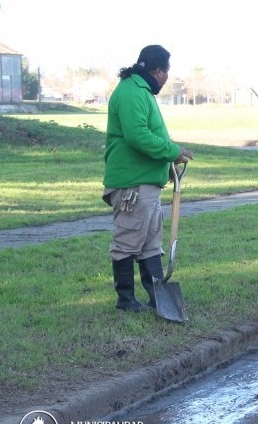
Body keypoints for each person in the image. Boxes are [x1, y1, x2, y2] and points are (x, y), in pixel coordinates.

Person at [103, 45, 194, 312]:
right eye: (166, 73)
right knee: (128, 241)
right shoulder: (131, 92)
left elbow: (147, 135)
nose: (166, 79)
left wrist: (167, 165)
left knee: (150, 243)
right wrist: (173, 152)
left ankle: (157, 296)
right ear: (159, 71)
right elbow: (137, 136)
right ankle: (125, 301)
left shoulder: (140, 91)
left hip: (147, 182)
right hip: (133, 183)